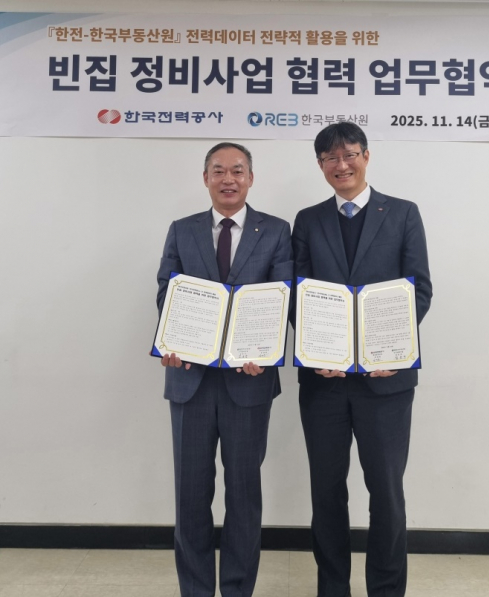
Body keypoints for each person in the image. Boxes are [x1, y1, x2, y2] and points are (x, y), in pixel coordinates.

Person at [292, 122, 432, 597]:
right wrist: (316, 349)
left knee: (386, 492)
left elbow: (419, 289)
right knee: (326, 492)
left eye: (350, 154)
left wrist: (392, 348)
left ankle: (386, 590)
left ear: (366, 156)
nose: (342, 165)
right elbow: (298, 294)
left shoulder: (404, 213)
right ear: (320, 165)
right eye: (330, 158)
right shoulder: (308, 220)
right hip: (324, 381)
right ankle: (333, 588)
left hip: (386, 380)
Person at [156, 142, 293, 597]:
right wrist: (173, 339)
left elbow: (282, 296)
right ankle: (195, 590)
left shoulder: (276, 231)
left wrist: (265, 348)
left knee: (244, 496)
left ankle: (237, 590)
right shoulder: (182, 230)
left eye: (237, 170)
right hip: (189, 381)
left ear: (251, 178)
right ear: (206, 178)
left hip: (248, 382)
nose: (228, 179)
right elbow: (167, 292)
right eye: (218, 170)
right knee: (190, 497)